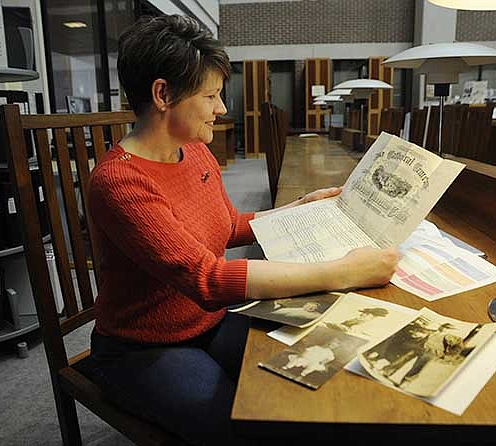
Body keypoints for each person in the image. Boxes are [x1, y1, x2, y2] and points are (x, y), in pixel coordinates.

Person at [87, 14, 399, 446]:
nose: (222, 109)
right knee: (248, 426)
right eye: (211, 95)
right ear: (163, 94)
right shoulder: (120, 181)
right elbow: (208, 278)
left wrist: (298, 208)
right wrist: (346, 271)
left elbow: (229, 226)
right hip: (141, 347)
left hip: (209, 321)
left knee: (309, 374)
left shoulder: (193, 152)